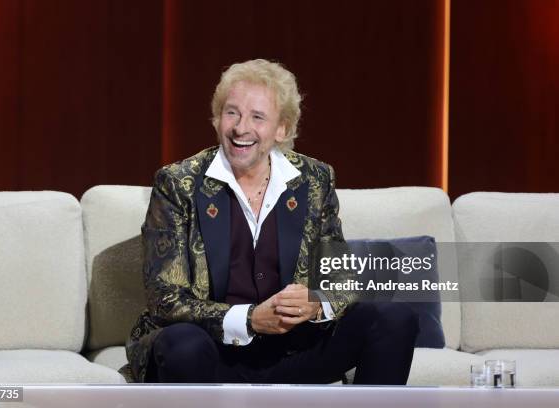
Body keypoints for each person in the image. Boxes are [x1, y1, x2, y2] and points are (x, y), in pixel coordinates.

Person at [121, 59, 418, 384]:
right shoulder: (178, 183)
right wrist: (249, 319)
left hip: (294, 350)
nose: (240, 128)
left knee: (394, 318)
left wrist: (316, 304)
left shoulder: (314, 179)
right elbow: (165, 299)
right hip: (214, 354)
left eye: (257, 117)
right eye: (231, 112)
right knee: (182, 345)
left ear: (282, 129)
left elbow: (342, 280)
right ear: (218, 118)